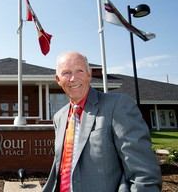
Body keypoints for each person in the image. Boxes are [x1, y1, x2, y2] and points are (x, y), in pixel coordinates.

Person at [42, 51, 162, 192]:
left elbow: (144, 175)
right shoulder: (59, 117)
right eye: (66, 73)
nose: (73, 78)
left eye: (80, 71)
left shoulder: (118, 106)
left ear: (89, 74)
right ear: (58, 79)